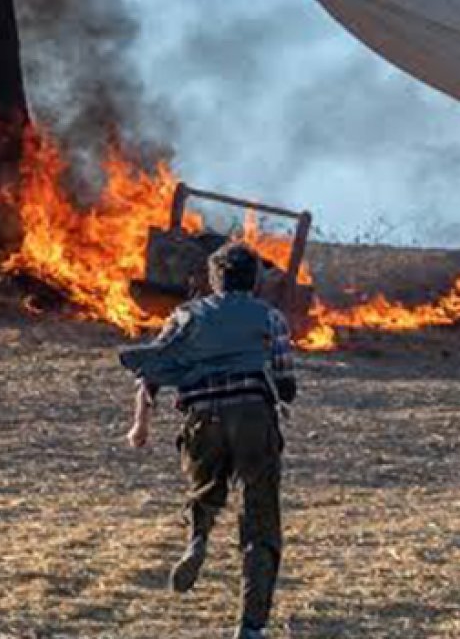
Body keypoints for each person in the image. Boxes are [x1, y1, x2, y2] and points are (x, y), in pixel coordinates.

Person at [121, 242, 298, 639]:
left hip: (202, 418)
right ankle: (250, 626)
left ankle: (197, 539)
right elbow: (285, 381)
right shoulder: (270, 317)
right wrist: (281, 395)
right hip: (253, 417)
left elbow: (150, 370)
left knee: (204, 489)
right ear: (254, 281)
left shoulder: (185, 315)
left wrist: (140, 426)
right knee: (260, 518)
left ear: (212, 279)